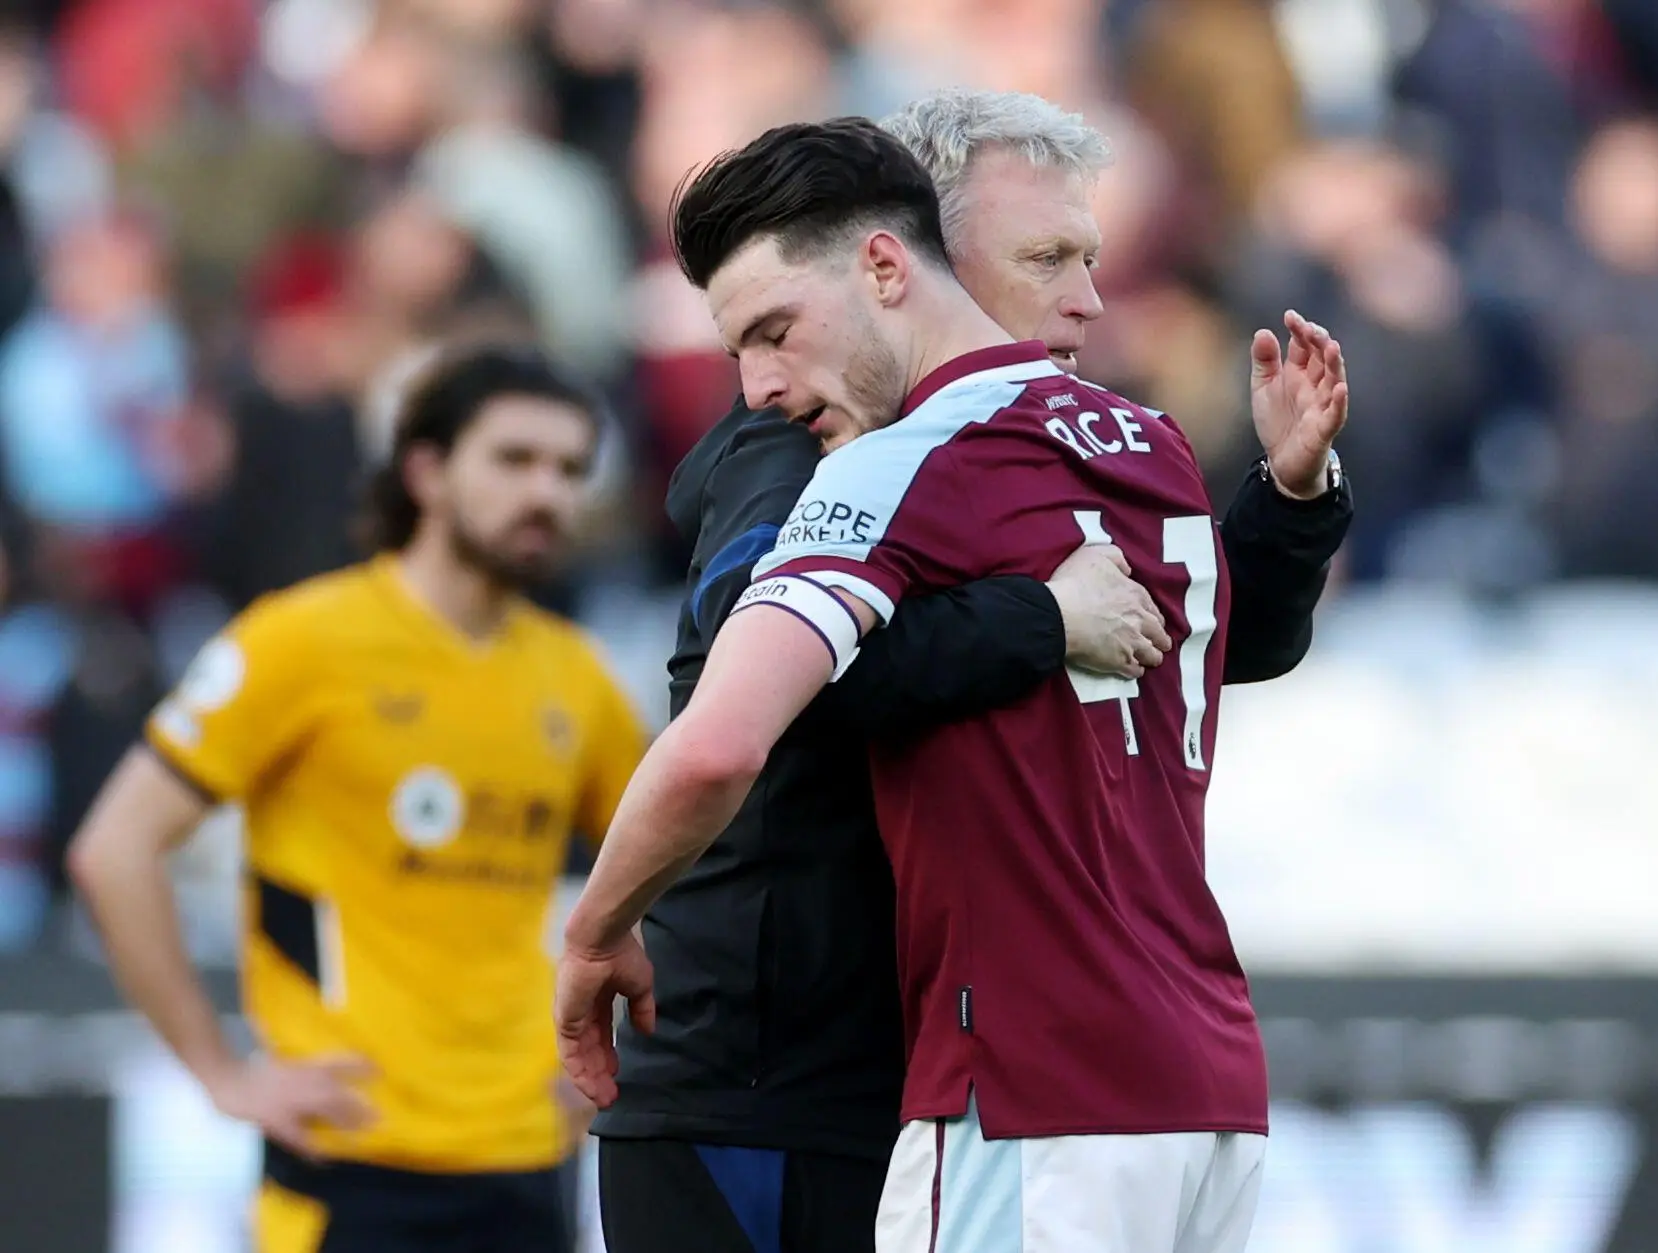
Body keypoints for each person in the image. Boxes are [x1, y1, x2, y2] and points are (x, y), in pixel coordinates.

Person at [557, 117, 1351, 1252]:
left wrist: (591, 933)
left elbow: (725, 730)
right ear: (916, 252)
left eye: (1085, 257)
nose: (1087, 297)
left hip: (1011, 1077)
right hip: (1159, 1075)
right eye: (1047, 260)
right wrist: (1038, 617)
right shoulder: (1138, 441)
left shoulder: (901, 455)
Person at [67, 343, 648, 1253]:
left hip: (529, 1157)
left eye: (570, 469)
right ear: (424, 470)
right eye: (514, 460)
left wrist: (626, 1056)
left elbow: (676, 865)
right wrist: (221, 1074)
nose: (548, 492)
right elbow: (113, 849)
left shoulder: (577, 681)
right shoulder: (301, 642)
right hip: (353, 1159)